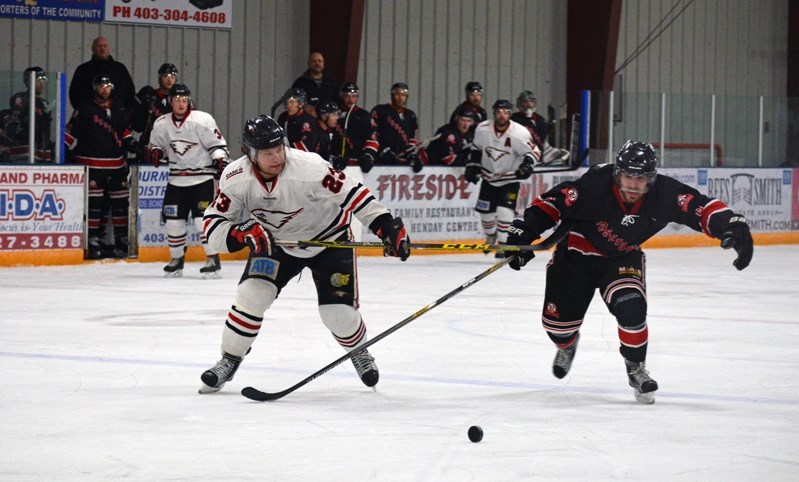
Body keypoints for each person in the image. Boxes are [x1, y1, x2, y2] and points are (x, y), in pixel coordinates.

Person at [506, 140, 754, 404]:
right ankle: (567, 345)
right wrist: (524, 231)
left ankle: (635, 368)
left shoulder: (664, 194)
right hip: (575, 258)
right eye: (628, 176)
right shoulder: (594, 185)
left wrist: (731, 224)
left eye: (641, 178)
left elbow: (700, 207)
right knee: (558, 327)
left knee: (632, 308)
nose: (633, 185)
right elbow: (552, 203)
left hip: (621, 258)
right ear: (617, 173)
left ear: (651, 178)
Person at [198, 115, 411, 393]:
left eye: (279, 148)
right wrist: (239, 234)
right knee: (252, 294)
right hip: (277, 243)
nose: (276, 157)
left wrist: (386, 226)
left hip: (330, 241)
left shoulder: (310, 167)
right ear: (251, 154)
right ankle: (228, 360)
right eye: (267, 152)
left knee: (337, 314)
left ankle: (359, 350)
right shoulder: (235, 178)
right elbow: (212, 224)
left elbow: (354, 194)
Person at [145, 84, 229, 278]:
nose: (181, 104)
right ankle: (176, 259)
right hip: (176, 180)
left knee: (203, 222)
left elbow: (217, 145)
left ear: (189, 101)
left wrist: (219, 158)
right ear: (170, 101)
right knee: (174, 223)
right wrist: (155, 152)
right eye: (177, 100)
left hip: (202, 180)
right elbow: (155, 146)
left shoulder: (202, 120)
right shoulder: (161, 123)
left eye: (184, 100)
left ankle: (212, 259)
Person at [65, 74, 138, 259]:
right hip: (91, 164)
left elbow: (126, 134)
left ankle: (121, 239)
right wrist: (63, 152)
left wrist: (135, 146)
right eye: (101, 85)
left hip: (116, 165)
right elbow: (70, 134)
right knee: (94, 205)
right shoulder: (84, 109)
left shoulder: (119, 108)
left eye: (108, 85)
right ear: (94, 87)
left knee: (121, 204)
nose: (104, 89)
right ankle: (93, 239)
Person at [465, 99, 540, 253]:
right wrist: (472, 165)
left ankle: (502, 244)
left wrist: (526, 165)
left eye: (505, 112)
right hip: (489, 177)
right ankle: (491, 236)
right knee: (485, 213)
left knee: (504, 211)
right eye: (499, 112)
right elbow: (476, 148)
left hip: (509, 179)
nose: (502, 115)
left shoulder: (519, 133)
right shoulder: (482, 129)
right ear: (494, 113)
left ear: (510, 114)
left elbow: (534, 152)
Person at [69, 37, 136, 112]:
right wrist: (83, 111)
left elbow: (130, 92)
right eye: (99, 46)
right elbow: (74, 94)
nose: (102, 49)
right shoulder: (83, 70)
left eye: (105, 46)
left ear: (108, 49)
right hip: (90, 116)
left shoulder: (120, 69)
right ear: (92, 49)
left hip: (117, 115)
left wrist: (125, 112)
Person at [130, 63, 180, 161]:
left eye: (173, 77)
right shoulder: (149, 95)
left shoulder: (181, 100)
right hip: (149, 148)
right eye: (166, 76)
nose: (169, 80)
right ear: (159, 78)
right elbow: (137, 126)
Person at [370, 82, 423, 172]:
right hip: (381, 162)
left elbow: (413, 137)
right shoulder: (380, 111)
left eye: (403, 95)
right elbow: (372, 133)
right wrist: (382, 150)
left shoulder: (411, 116)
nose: (400, 97)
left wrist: (410, 154)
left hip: (403, 164)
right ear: (392, 95)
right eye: (397, 94)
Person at [511, 90, 570, 165]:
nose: (529, 104)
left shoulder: (541, 120)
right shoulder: (514, 119)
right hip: (519, 159)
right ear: (520, 103)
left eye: (531, 101)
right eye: (525, 102)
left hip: (538, 160)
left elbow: (542, 140)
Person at [8, 66, 53, 161]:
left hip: (41, 154)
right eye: (38, 80)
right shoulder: (20, 98)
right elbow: (18, 124)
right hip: (22, 152)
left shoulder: (45, 104)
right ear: (28, 82)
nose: (42, 84)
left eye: (44, 80)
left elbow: (46, 130)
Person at [335, 81, 378, 173]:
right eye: (347, 96)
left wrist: (368, 156)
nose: (350, 99)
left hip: (357, 165)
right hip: (335, 163)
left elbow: (372, 139)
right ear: (342, 95)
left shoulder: (364, 116)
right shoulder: (334, 113)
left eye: (353, 96)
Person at [276, 87, 318, 152]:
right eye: (287, 102)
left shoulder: (309, 121)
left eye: (292, 102)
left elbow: (306, 146)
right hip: (286, 156)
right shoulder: (283, 117)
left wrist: (285, 150)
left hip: (304, 158)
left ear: (301, 104)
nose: (288, 105)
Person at [313, 100, 345, 168]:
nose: (336, 118)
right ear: (324, 116)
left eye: (337, 115)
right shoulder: (314, 132)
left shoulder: (334, 132)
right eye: (333, 115)